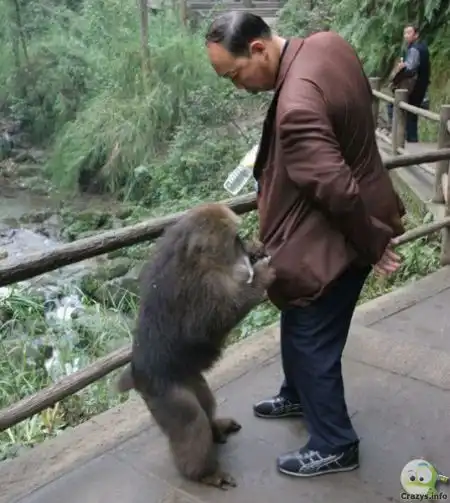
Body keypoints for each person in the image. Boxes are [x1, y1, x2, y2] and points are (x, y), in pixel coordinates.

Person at [205, 12, 406, 478]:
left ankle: (336, 443)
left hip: (341, 236)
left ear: (258, 49)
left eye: (233, 75)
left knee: (313, 337)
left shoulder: (295, 105)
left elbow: (336, 189)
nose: (237, 87)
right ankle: (296, 395)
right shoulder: (327, 44)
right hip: (347, 217)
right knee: (298, 320)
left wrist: (373, 243)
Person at [387, 25, 430, 142]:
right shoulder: (423, 47)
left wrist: (402, 66)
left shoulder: (414, 49)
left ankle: (402, 138)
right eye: (405, 33)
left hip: (413, 86)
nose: (406, 36)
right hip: (422, 85)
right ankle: (411, 139)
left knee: (393, 106)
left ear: (416, 35)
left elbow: (411, 68)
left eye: (409, 33)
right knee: (412, 114)